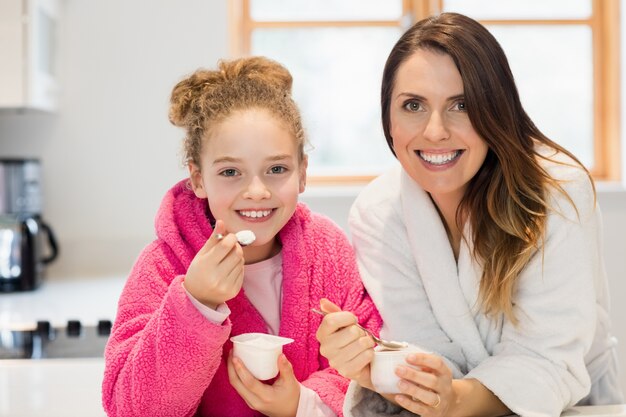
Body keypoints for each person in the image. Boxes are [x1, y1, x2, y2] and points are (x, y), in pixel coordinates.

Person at [316, 12, 623, 417]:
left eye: (461, 104)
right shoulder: (378, 213)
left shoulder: (557, 194)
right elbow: (423, 357)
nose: (435, 131)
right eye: (413, 105)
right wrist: (372, 368)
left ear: (496, 109)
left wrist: (451, 397)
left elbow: (547, 360)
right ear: (388, 118)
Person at [102, 56, 381, 417]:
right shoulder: (164, 265)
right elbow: (132, 408)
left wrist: (303, 402)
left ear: (303, 173)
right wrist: (196, 302)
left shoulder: (327, 250)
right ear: (198, 178)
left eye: (276, 169)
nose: (256, 191)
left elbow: (372, 370)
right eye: (231, 171)